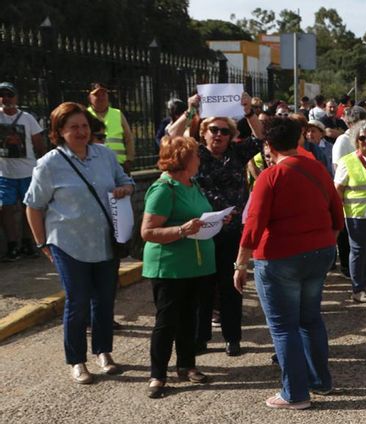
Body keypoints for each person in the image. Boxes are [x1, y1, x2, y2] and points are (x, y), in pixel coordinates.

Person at [233, 117, 344, 410]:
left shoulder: (269, 177)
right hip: (318, 253)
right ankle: (320, 381)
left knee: (284, 327)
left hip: (279, 257)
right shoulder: (318, 170)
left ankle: (294, 393)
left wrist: (240, 264)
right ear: (299, 140)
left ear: (268, 145)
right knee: (310, 319)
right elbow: (337, 215)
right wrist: (323, 243)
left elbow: (253, 226)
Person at [24, 102, 135, 384]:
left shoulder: (104, 155)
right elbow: (33, 206)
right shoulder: (49, 164)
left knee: (105, 299)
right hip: (67, 244)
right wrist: (41, 243)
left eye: (84, 125)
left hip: (105, 242)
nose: (81, 131)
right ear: (59, 131)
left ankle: (103, 352)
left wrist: (125, 188)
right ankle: (77, 360)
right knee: (78, 302)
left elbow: (126, 180)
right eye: (73, 127)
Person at [166, 92, 263, 357]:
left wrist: (248, 111)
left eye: (224, 131)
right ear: (204, 133)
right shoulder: (194, 154)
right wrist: (190, 111)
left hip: (231, 231)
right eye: (213, 130)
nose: (218, 135)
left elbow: (260, 138)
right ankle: (201, 338)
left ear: (231, 135)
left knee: (231, 285)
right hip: (202, 232)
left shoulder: (237, 153)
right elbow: (171, 137)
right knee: (203, 287)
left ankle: (233, 337)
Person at [140, 136, 217, 398]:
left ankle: (186, 365)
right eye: (196, 155)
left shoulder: (192, 184)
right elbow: (148, 232)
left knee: (189, 318)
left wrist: (216, 220)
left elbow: (198, 215)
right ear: (184, 159)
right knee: (167, 322)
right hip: (169, 267)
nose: (199, 159)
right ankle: (157, 375)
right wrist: (182, 230)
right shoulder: (164, 189)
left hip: (195, 265)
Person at [336, 122, 366, 303]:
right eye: (362, 137)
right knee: (358, 250)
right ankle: (357, 289)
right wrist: (337, 212)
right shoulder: (347, 161)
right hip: (356, 214)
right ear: (356, 140)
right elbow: (338, 189)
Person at [0, 81, 46, 261]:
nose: (6, 99)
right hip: (4, 173)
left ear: (16, 98)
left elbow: (39, 143)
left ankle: (28, 242)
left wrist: (41, 165)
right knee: (5, 208)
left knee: (29, 207)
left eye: (9, 95)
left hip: (27, 171)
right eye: (2, 95)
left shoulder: (27, 118)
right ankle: (12, 245)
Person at [86, 82, 135, 173]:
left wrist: (129, 159)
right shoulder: (85, 115)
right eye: (96, 95)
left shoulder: (117, 114)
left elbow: (128, 138)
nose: (101, 97)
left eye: (103, 94)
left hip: (119, 164)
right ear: (89, 98)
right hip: (94, 165)